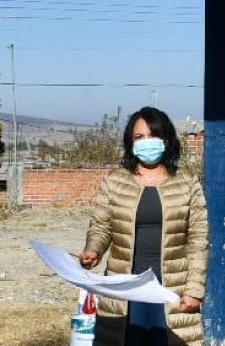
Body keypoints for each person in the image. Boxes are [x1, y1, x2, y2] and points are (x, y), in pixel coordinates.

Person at [80, 107, 208, 346]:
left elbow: (199, 240)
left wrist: (194, 290)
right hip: (125, 289)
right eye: (139, 137)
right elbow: (101, 226)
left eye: (153, 136)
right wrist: (93, 250)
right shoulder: (115, 180)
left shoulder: (187, 182)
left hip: (171, 290)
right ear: (130, 142)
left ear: (167, 139)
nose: (146, 143)